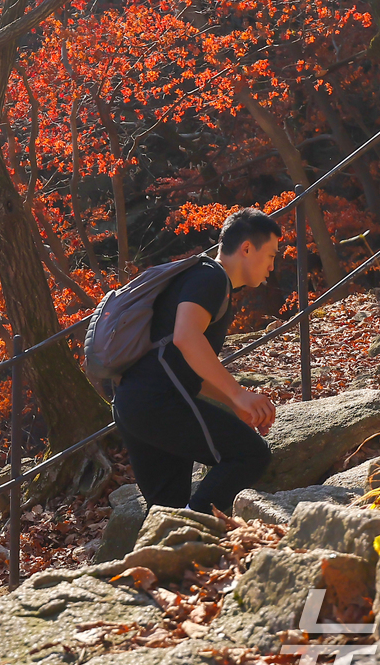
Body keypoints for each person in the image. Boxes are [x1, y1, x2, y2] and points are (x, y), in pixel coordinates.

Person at [112, 208, 281, 514]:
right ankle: (197, 524)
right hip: (158, 401)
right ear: (246, 248)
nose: (272, 265)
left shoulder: (202, 277)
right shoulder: (211, 278)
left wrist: (233, 401)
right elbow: (186, 338)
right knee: (249, 454)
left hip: (132, 403)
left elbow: (186, 366)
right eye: (270, 255)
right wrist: (239, 393)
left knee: (167, 508)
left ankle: (176, 550)